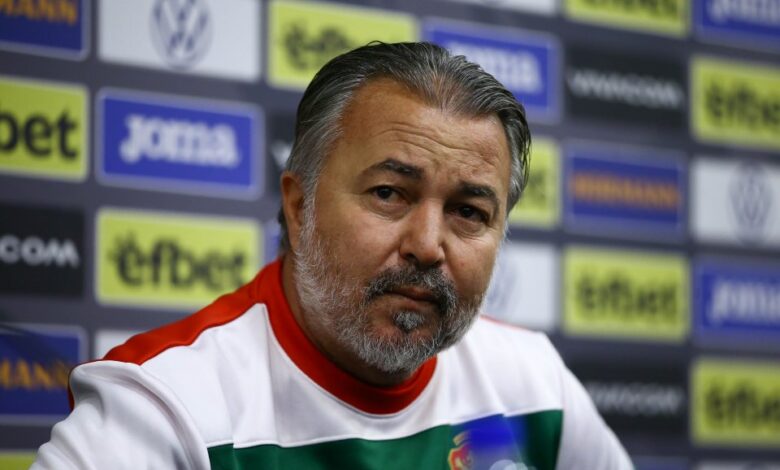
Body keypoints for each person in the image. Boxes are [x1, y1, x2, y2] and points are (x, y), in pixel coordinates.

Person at [33, 42, 631, 469]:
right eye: (389, 193)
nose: (428, 244)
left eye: (469, 212)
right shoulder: (165, 404)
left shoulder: (534, 384)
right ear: (300, 208)